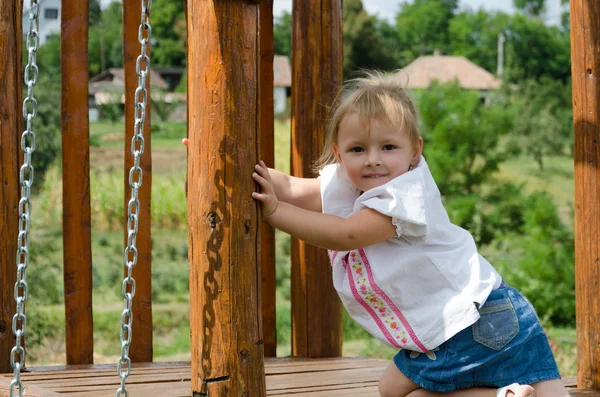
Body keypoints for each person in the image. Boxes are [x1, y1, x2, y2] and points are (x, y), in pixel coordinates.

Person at [184, 71, 569, 397]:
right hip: (476, 317)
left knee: (390, 390)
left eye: (388, 146)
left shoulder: (405, 195)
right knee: (399, 391)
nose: (373, 159)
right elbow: (288, 186)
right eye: (357, 149)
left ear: (415, 150)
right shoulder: (354, 181)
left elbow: (347, 234)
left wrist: (276, 213)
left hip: (471, 320)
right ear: (339, 152)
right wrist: (220, 160)